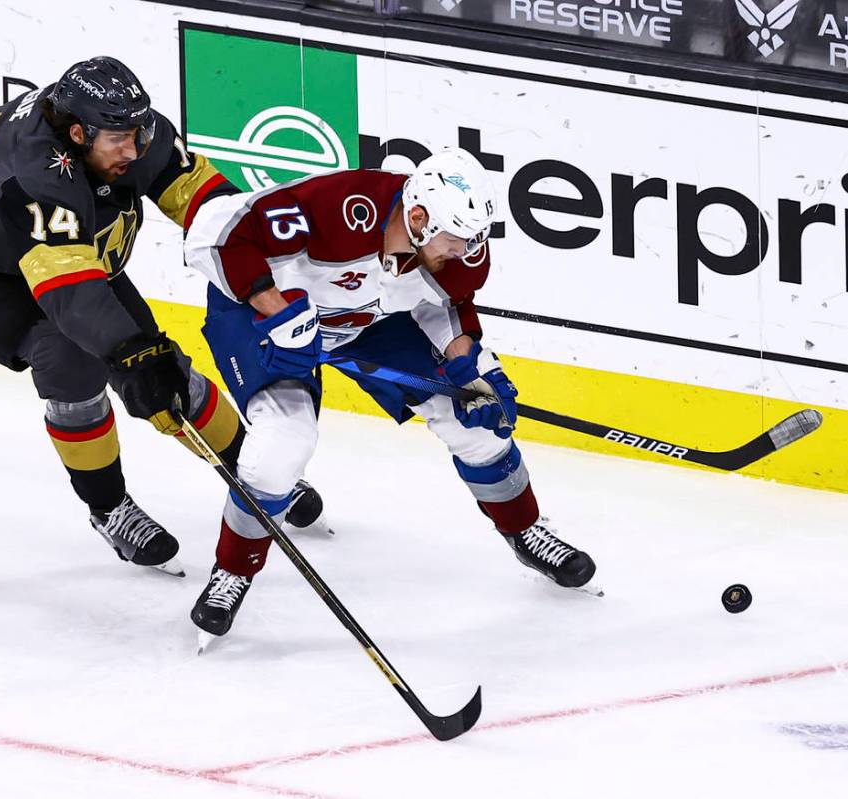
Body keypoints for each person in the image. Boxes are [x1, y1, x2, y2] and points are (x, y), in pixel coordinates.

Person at [0, 56, 324, 577]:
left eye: (139, 130)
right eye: (118, 138)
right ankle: (108, 507)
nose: (134, 147)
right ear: (78, 133)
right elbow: (71, 294)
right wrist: (132, 356)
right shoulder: (34, 174)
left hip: (66, 252)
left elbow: (203, 197)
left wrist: (252, 255)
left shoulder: (123, 133)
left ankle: (252, 468)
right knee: (72, 359)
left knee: (160, 365)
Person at [183, 147, 597, 639]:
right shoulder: (339, 207)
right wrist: (275, 311)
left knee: (474, 423)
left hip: (368, 323)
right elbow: (212, 230)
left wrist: (468, 362)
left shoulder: (458, 250)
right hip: (264, 317)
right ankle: (233, 570)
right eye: (454, 241)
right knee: (278, 450)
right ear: (417, 217)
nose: (463, 253)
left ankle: (525, 528)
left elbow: (446, 302)